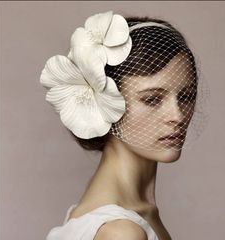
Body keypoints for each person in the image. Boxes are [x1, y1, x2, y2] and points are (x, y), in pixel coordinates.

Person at [40, 10, 200, 240]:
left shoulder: (119, 215)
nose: (177, 115)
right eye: (152, 99)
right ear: (103, 102)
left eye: (185, 96)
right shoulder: (121, 232)